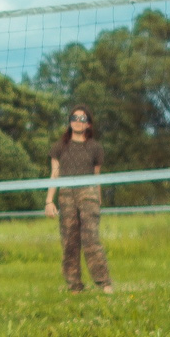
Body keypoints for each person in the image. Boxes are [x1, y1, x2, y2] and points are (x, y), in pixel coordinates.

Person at [45, 106, 112, 293]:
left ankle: (104, 283)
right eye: (75, 117)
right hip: (66, 194)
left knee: (91, 238)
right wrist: (49, 201)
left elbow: (97, 176)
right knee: (69, 241)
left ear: (88, 124)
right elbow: (54, 174)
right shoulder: (59, 147)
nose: (78, 121)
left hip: (88, 193)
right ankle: (74, 286)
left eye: (82, 119)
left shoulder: (95, 148)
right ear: (70, 121)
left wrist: (98, 200)